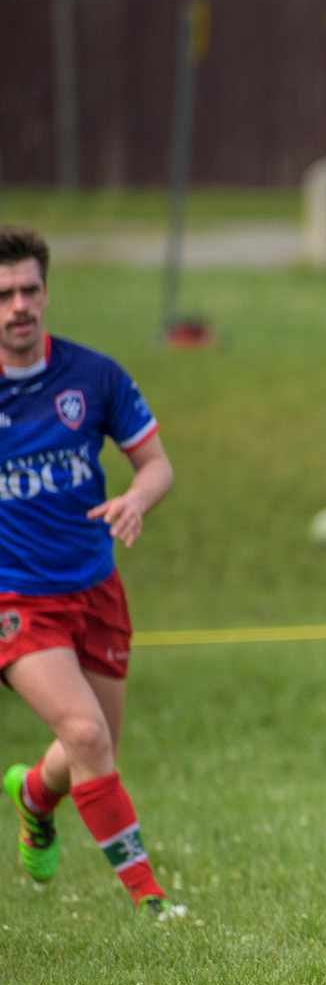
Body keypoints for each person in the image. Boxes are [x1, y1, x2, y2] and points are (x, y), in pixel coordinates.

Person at [0, 227, 174, 914]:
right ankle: (150, 899)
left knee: (88, 750)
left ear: (47, 293)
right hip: (16, 599)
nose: (19, 305)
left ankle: (32, 795)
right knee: (86, 735)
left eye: (30, 290)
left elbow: (157, 464)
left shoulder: (93, 376)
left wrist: (135, 499)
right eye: (5, 294)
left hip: (96, 590)